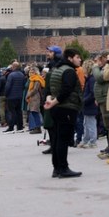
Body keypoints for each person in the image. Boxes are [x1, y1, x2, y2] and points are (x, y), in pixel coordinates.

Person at [46, 47, 83, 178]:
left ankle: (56, 168)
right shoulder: (69, 71)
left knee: (56, 138)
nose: (80, 60)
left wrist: (51, 100)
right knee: (63, 139)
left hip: (57, 109)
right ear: (70, 58)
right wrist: (55, 101)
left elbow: (50, 88)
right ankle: (63, 168)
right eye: (78, 57)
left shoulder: (57, 69)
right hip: (66, 108)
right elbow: (66, 90)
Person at [3, 62, 26, 133]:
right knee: (19, 112)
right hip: (19, 96)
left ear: (14, 67)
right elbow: (23, 85)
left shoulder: (11, 75)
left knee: (12, 112)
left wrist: (6, 94)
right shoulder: (22, 75)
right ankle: (20, 127)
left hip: (11, 96)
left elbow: (8, 86)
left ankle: (11, 127)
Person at [25, 65, 45, 134]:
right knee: (33, 112)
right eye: (30, 72)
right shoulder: (31, 79)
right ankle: (37, 127)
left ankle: (38, 127)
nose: (30, 73)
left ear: (36, 72)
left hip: (35, 98)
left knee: (35, 112)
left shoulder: (37, 79)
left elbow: (35, 89)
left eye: (32, 72)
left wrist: (28, 95)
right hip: (32, 98)